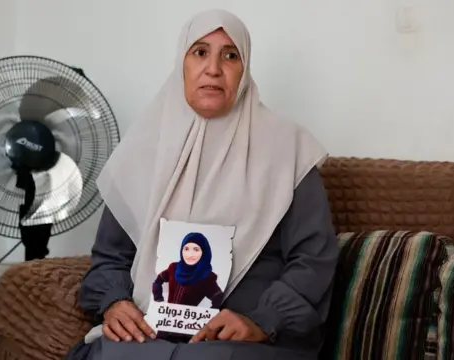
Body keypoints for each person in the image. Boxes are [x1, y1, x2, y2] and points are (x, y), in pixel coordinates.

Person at [66, 9, 340, 360]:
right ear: (182, 64)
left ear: (244, 70)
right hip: (150, 335)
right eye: (200, 52)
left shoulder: (289, 149)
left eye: (230, 55)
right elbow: (111, 255)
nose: (213, 68)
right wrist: (115, 302)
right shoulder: (143, 150)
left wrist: (262, 320)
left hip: (247, 340)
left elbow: (313, 259)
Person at [152, 232, 224, 308]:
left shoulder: (206, 276)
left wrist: (207, 316)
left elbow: (219, 298)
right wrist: (159, 301)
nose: (190, 254)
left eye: (196, 250)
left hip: (187, 319)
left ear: (204, 252)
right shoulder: (174, 268)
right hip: (166, 315)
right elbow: (158, 281)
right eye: (186, 249)